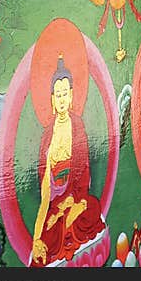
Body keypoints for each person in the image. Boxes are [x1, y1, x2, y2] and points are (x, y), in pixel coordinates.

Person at [31, 56, 106, 267]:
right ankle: (59, 236)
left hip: (76, 201)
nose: (62, 99)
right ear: (52, 99)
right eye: (58, 95)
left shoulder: (77, 126)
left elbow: (84, 173)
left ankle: (67, 232)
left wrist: (75, 200)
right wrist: (37, 237)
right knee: (49, 237)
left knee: (92, 207)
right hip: (56, 208)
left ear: (71, 95)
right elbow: (46, 193)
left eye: (66, 94)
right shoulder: (47, 137)